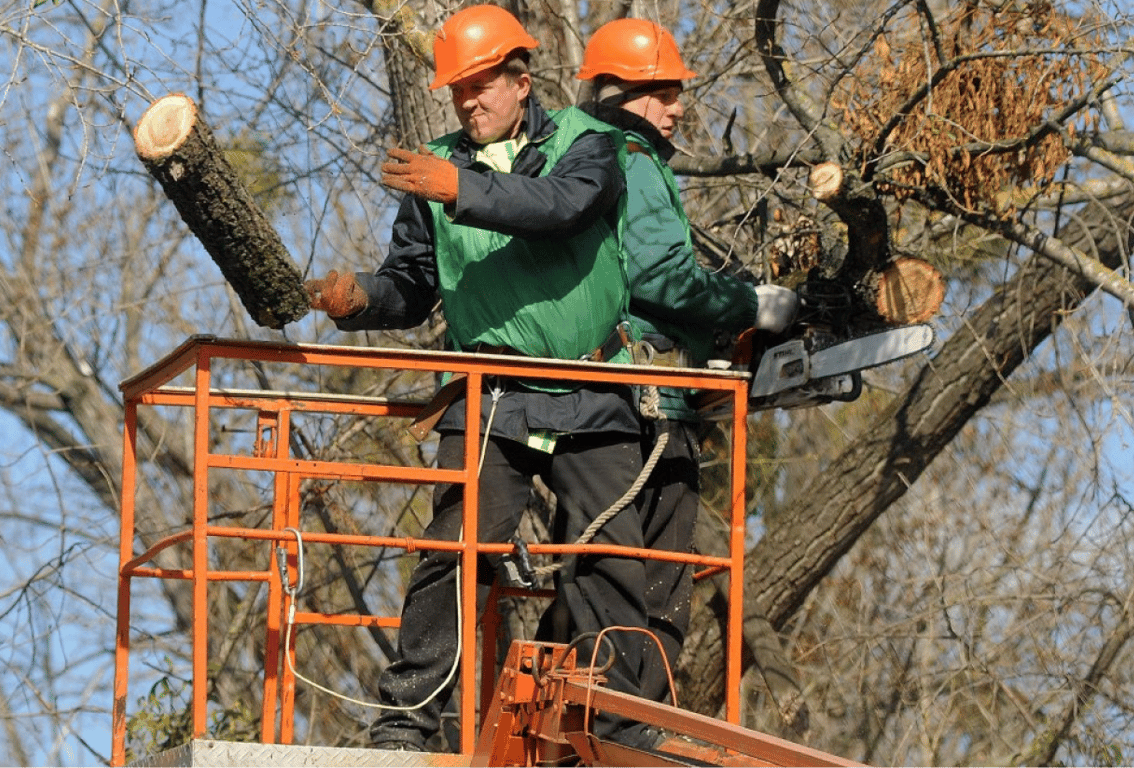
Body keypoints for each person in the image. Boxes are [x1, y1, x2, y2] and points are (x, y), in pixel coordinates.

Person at [303, 4, 661, 753]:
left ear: (522, 81)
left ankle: (628, 735)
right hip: (491, 392)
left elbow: (563, 209)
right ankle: (406, 724)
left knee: (615, 563)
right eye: (458, 91)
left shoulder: (589, 145)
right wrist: (362, 299)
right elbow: (414, 283)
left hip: (593, 391)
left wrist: (459, 190)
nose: (468, 102)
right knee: (455, 552)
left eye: (482, 86)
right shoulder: (434, 169)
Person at [572, 17, 799, 708]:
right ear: (623, 94)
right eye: (665, 92)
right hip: (645, 398)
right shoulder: (631, 161)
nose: (678, 107)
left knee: (623, 567)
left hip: (628, 396)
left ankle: (621, 704)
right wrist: (748, 303)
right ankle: (635, 714)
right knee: (661, 573)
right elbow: (664, 279)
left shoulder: (596, 156)